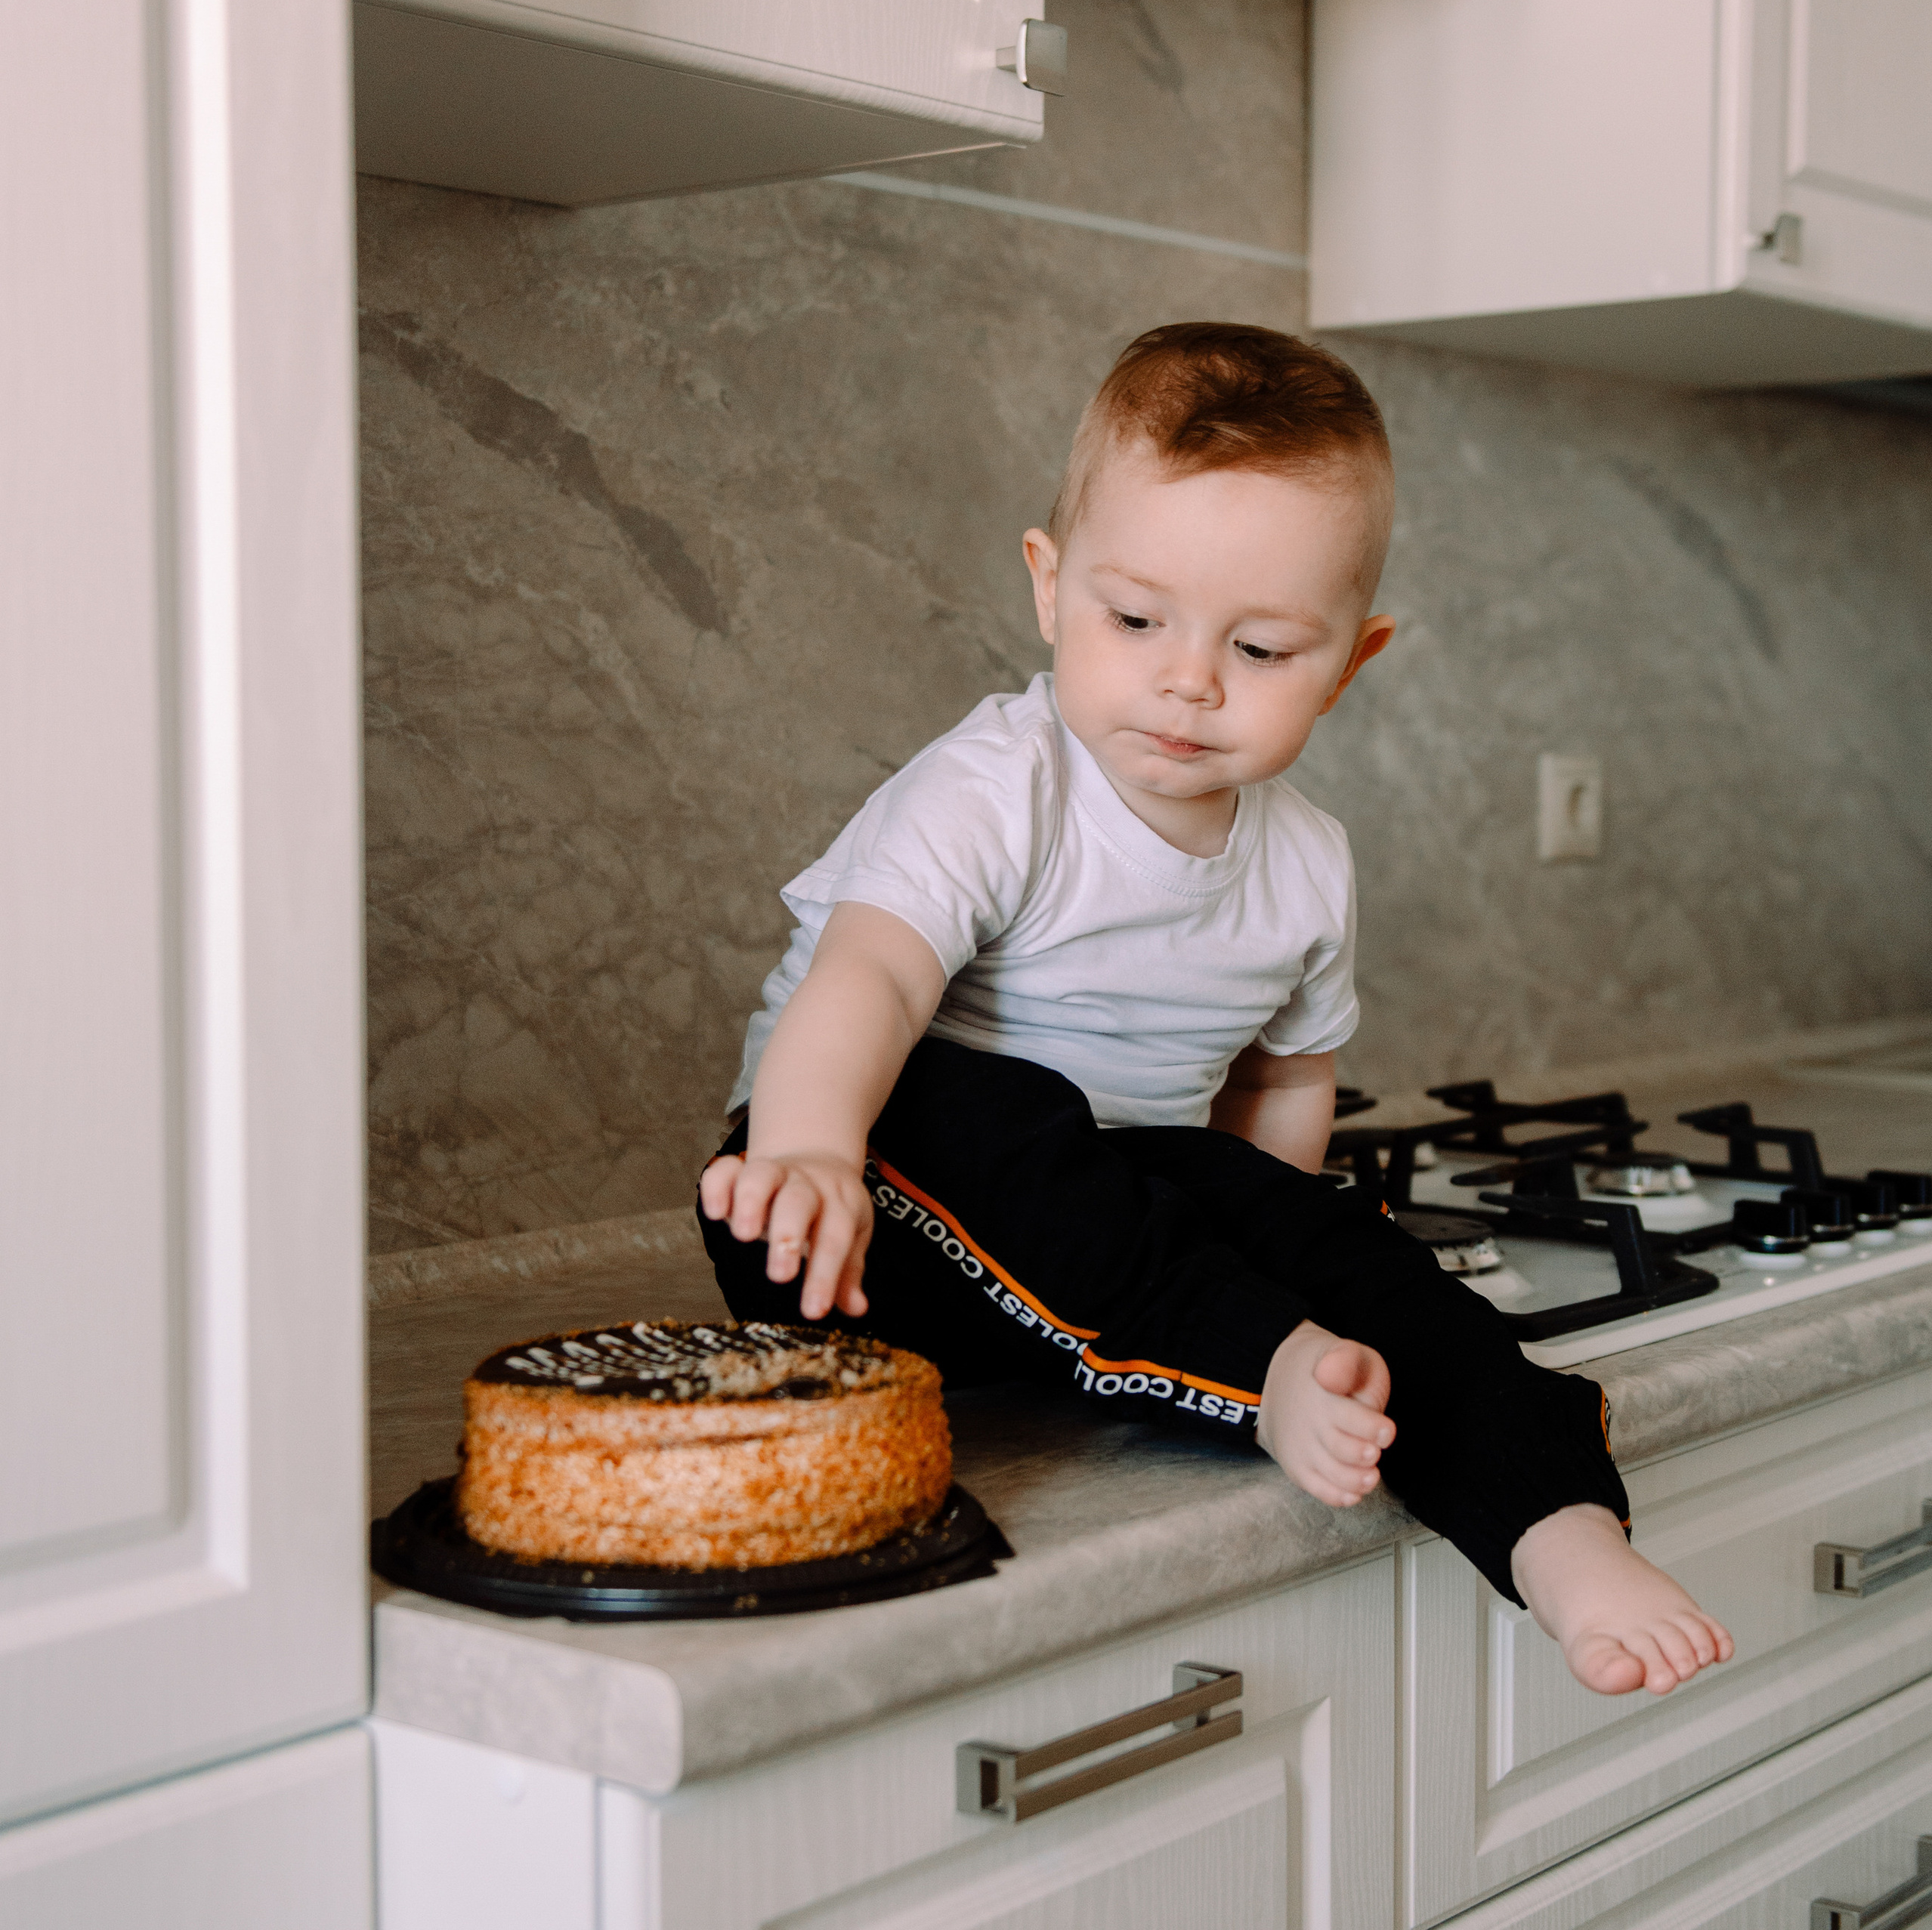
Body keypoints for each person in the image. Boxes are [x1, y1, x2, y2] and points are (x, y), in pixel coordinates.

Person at [697, 323, 1733, 1698]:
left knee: (1358, 1253)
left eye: (1259, 646)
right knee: (987, 1102)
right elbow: (871, 978)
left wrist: (1285, 1243)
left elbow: (1287, 1086)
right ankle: (1262, 1361)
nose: (1190, 680)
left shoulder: (1307, 863)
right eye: (1136, 621)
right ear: (1048, 588)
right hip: (855, 1217)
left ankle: (1558, 1528)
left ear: (1350, 663)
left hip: (1119, 1224)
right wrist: (808, 1149)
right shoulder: (999, 786)